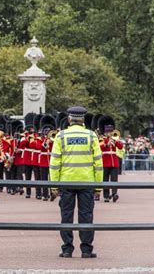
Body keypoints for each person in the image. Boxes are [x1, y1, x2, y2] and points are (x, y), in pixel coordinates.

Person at [49, 106, 103, 259]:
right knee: (86, 216)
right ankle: (86, 250)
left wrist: (54, 186)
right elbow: (98, 164)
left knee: (66, 216)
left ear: (69, 119)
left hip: (66, 182)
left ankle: (67, 249)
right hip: (87, 182)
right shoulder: (92, 136)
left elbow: (54, 163)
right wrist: (98, 187)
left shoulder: (61, 136)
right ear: (83, 120)